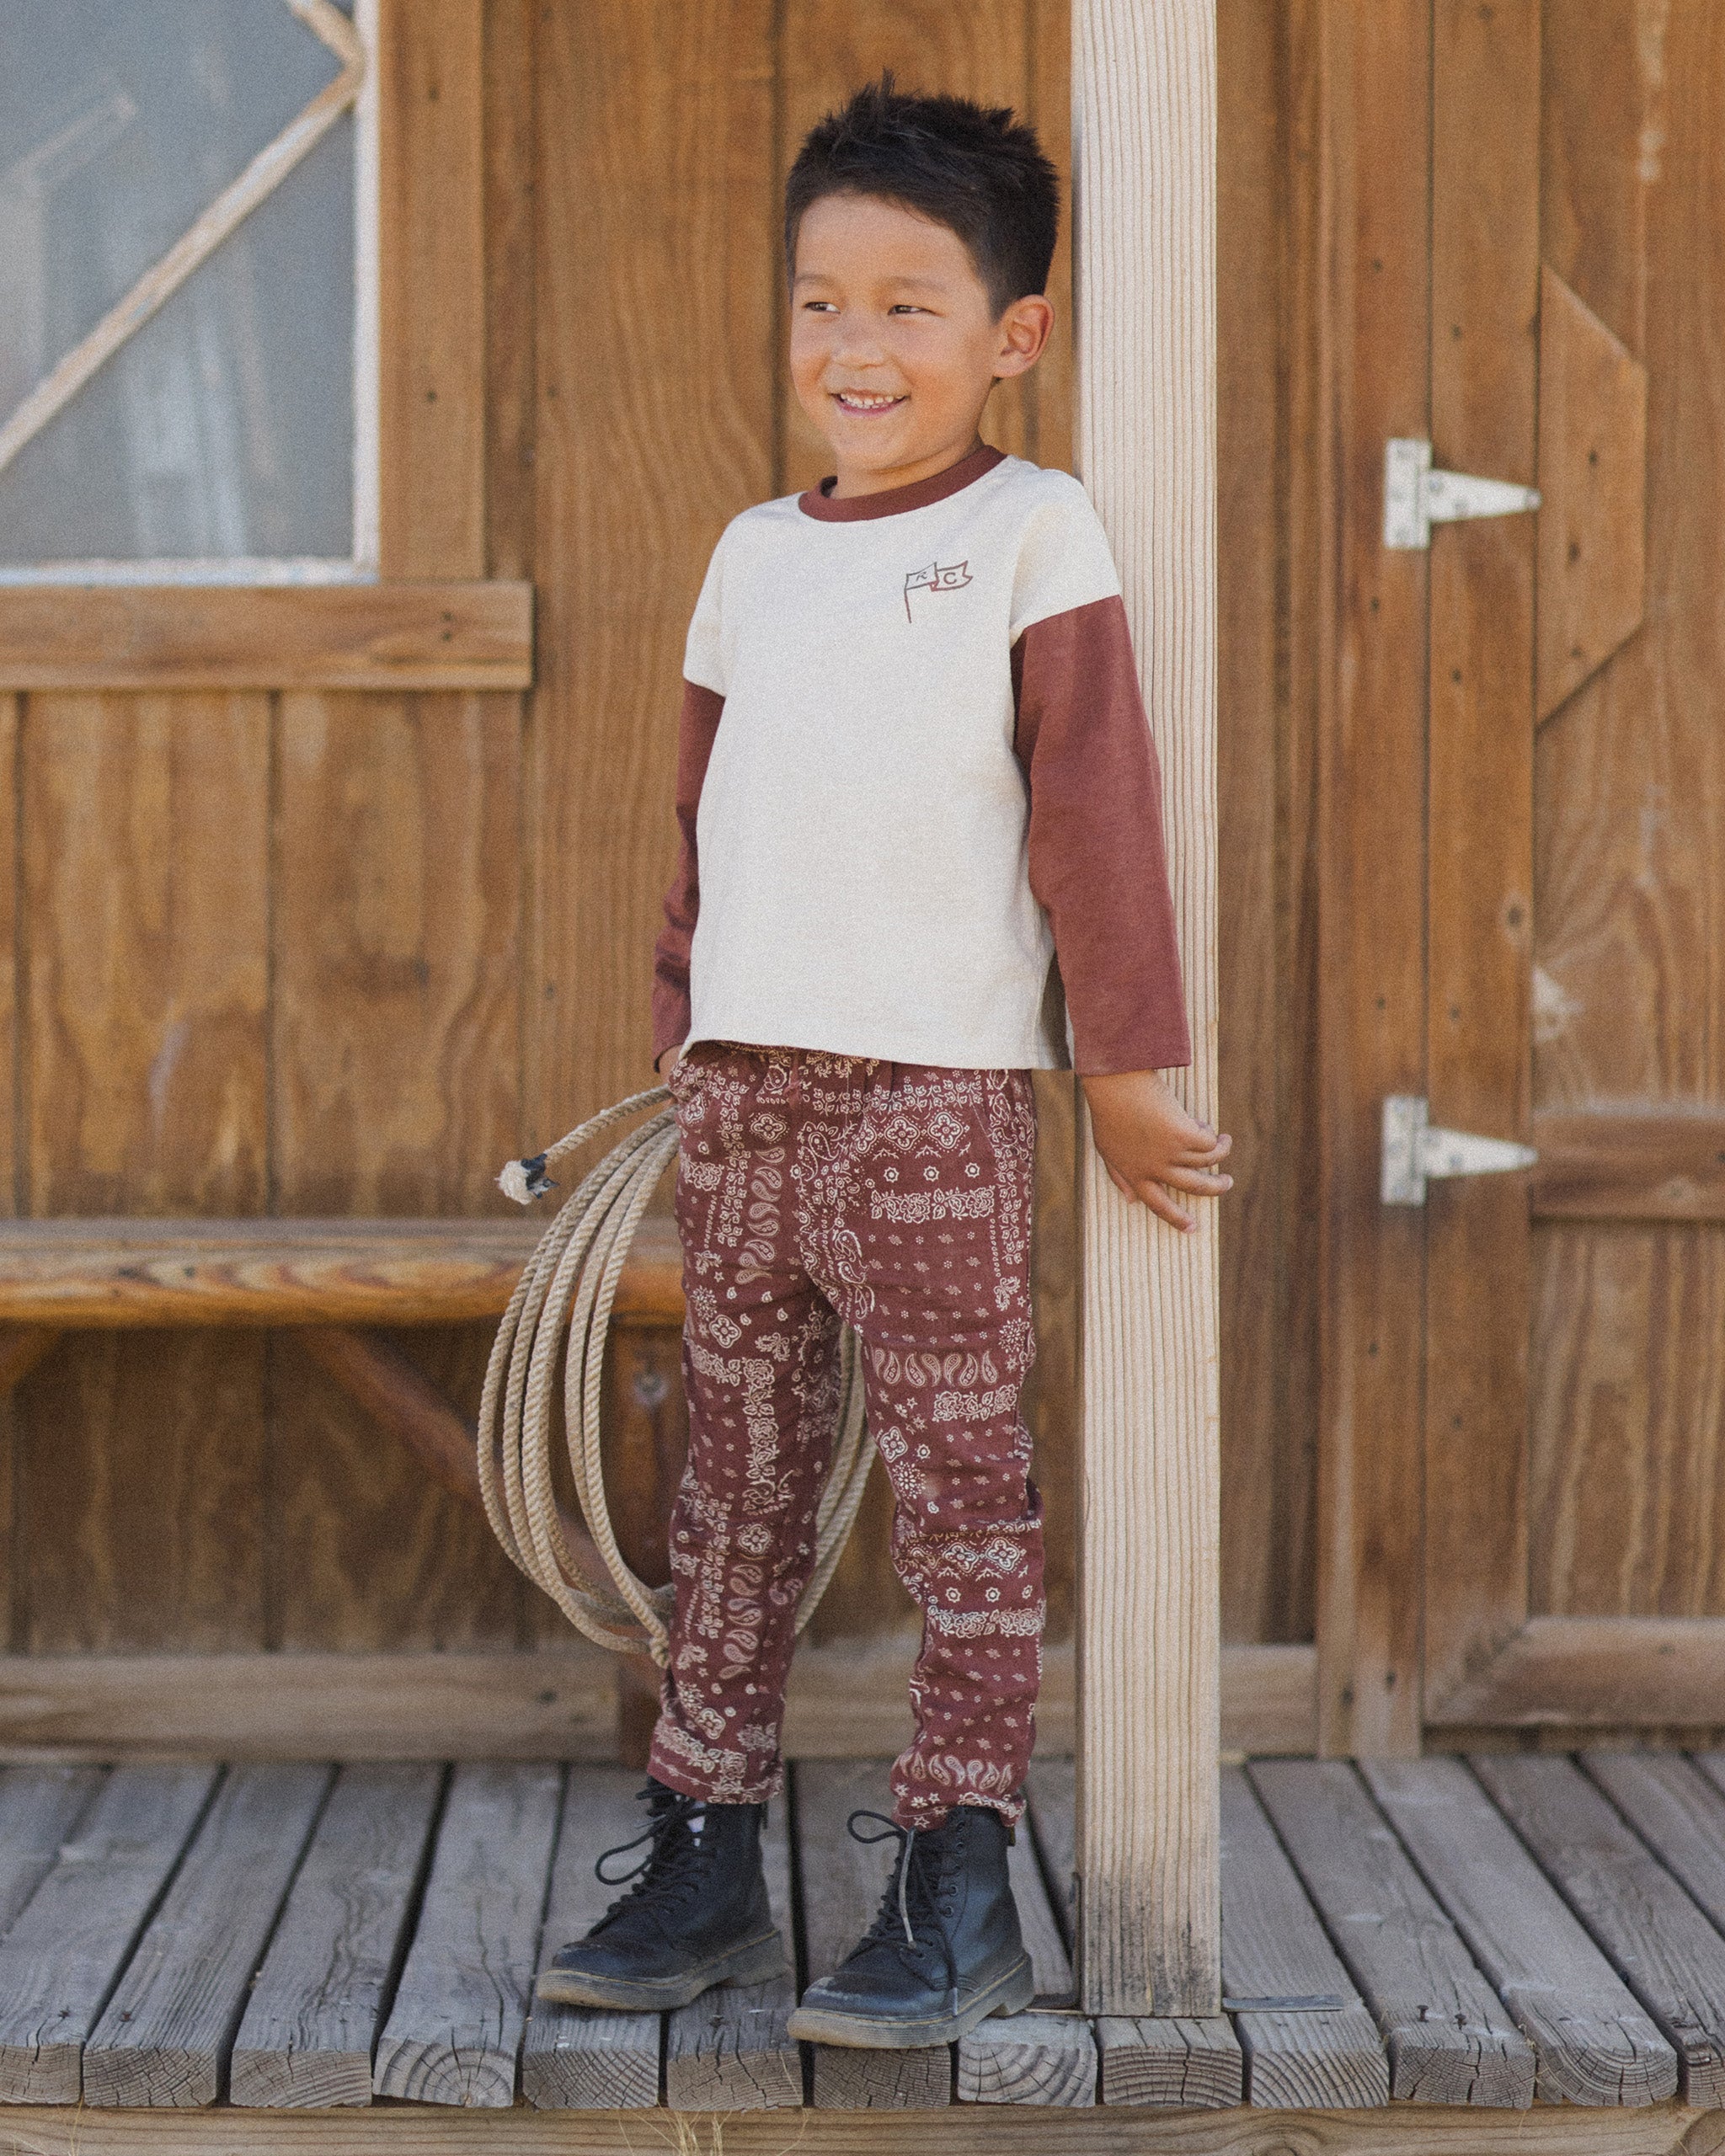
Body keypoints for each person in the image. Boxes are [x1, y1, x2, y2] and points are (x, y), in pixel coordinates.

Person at [536, 76, 1231, 2050]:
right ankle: (702, 1846)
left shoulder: (1033, 532)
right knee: (733, 1484)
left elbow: (1092, 810)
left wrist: (1124, 1061)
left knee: (957, 1487)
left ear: (1011, 336)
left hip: (930, 1101)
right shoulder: (753, 552)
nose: (853, 345)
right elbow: (702, 814)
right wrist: (680, 1037)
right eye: (821, 303)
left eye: (906, 306)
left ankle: (955, 1864)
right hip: (745, 1097)